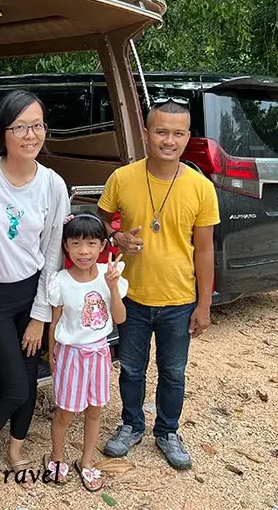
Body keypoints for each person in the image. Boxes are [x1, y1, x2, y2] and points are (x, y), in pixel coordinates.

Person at [97, 98, 219, 470]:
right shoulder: (123, 178)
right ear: (146, 133)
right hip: (131, 297)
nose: (169, 140)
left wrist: (204, 304)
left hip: (179, 299)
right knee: (132, 369)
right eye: (161, 131)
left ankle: (167, 430)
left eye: (178, 133)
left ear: (187, 138)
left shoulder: (200, 187)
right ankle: (131, 424)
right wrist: (116, 238)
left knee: (173, 372)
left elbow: (204, 250)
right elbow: (99, 222)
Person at [0, 90, 70, 492]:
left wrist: (40, 315)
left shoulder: (53, 184)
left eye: (38, 125)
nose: (31, 134)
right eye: (21, 126)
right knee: (15, 386)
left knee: (28, 380)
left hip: (31, 296)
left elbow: (52, 253)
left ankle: (15, 450)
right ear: (3, 132)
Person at [44, 213, 128, 491]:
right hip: (70, 354)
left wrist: (113, 288)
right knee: (66, 412)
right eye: (76, 243)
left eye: (92, 243)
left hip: (100, 353)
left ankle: (87, 461)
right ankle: (57, 457)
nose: (84, 251)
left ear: (103, 246)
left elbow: (120, 318)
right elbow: (54, 322)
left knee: (95, 411)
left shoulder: (109, 275)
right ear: (66, 246)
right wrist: (51, 353)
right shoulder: (61, 281)